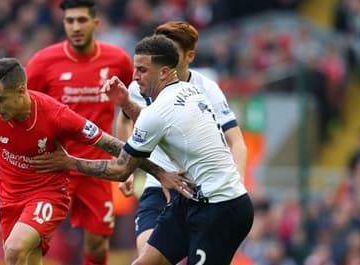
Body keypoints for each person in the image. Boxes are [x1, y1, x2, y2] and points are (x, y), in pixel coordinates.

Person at [0, 58, 189, 265]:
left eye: (0, 99)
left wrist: (159, 172)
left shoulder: (56, 115)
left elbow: (111, 144)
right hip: (9, 197)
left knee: (13, 250)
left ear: (21, 90)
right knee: (26, 258)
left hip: (47, 192)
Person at [31, 35, 254, 265]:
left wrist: (67, 161)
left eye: (142, 70)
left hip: (221, 209)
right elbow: (161, 125)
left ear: (164, 72)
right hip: (190, 199)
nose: (134, 76)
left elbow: (120, 169)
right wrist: (127, 104)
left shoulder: (158, 112)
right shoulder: (188, 91)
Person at [116, 21, 249, 254]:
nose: (163, 58)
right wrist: (126, 169)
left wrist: (236, 185)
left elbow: (236, 141)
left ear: (190, 56)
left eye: (172, 53)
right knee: (147, 253)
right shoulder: (142, 83)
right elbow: (126, 118)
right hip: (157, 183)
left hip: (199, 191)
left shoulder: (206, 88)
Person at [25, 0, 133, 264]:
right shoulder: (43, 62)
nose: (75, 26)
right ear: (63, 23)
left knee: (97, 246)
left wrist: (127, 161)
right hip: (54, 167)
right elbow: (25, 112)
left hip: (97, 168)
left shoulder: (118, 60)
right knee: (34, 239)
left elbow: (129, 111)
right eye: (70, 21)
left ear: (95, 23)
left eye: (81, 20)